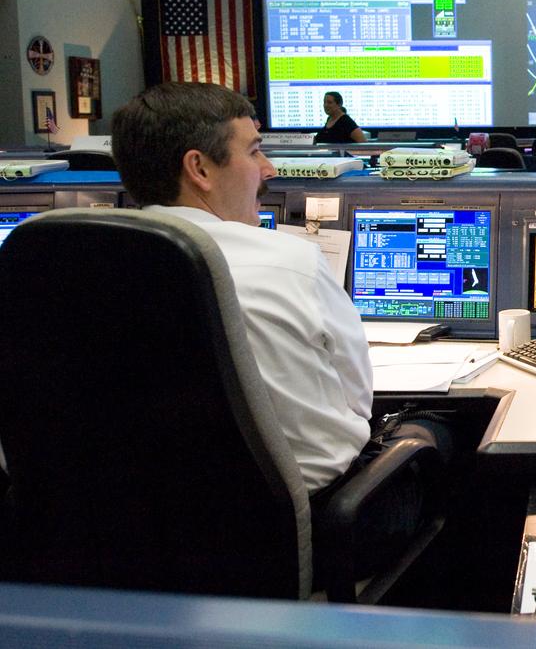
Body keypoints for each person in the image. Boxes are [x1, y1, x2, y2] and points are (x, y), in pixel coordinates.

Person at [111, 83, 447, 577]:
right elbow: (358, 404)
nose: (268, 169)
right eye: (253, 151)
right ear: (199, 169)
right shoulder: (289, 261)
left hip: (126, 548)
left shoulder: (79, 270)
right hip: (300, 534)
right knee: (436, 431)